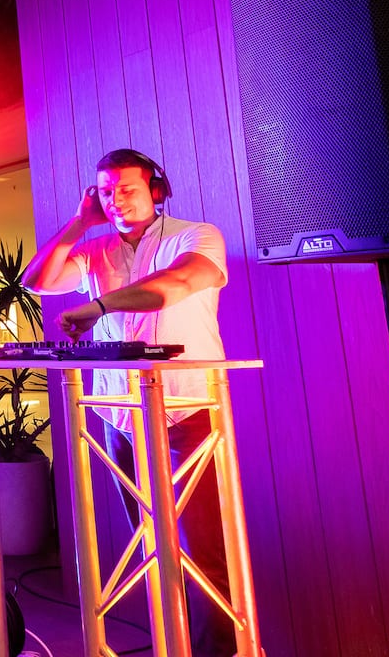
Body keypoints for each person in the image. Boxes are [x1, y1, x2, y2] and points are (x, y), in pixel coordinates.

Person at [21, 147, 237, 657]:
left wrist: (99, 306)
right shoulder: (96, 250)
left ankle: (218, 651)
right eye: (105, 192)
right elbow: (37, 281)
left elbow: (174, 285)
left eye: (127, 189)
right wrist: (79, 222)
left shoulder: (196, 236)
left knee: (205, 550)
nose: (115, 200)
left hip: (186, 412)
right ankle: (172, 644)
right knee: (151, 545)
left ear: (155, 191)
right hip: (119, 416)